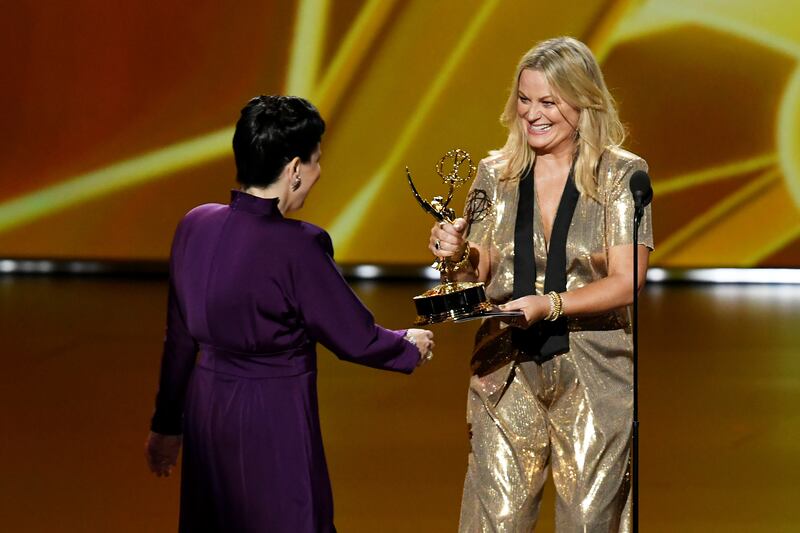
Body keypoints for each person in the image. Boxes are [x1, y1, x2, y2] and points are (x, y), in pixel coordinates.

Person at [144, 95, 434, 532]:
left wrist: (166, 425)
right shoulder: (299, 244)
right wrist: (408, 346)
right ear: (295, 168)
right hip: (274, 416)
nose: (319, 173)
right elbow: (354, 337)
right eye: (317, 161)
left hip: (208, 413)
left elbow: (180, 340)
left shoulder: (194, 225)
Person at [429, 37, 653, 531]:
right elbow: (477, 274)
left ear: (583, 101)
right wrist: (457, 253)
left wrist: (549, 305)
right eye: (525, 99)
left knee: (589, 520)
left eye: (548, 102)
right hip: (504, 368)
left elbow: (627, 280)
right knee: (496, 519)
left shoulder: (621, 175)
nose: (532, 114)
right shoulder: (496, 174)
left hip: (594, 369)